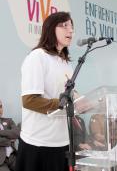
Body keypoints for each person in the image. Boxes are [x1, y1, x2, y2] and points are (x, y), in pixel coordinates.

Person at [15, 12, 75, 171]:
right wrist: (62, 105)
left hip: (62, 142)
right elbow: (29, 100)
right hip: (38, 144)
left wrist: (82, 102)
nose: (70, 31)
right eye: (64, 26)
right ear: (50, 29)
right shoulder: (37, 57)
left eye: (71, 26)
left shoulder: (65, 63)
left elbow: (68, 95)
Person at [0, 100, 20, 171]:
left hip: (13, 156)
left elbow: (17, 133)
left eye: (0, 106)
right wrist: (9, 140)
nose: (0, 109)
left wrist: (1, 133)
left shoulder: (9, 120)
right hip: (1, 162)